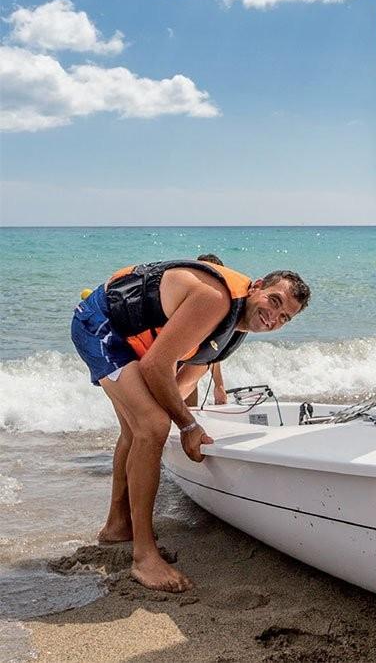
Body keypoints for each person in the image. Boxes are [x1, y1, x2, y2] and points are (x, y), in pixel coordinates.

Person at [71, 259, 310, 593]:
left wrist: (186, 420)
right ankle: (144, 556)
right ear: (256, 287)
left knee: (140, 426)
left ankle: (117, 526)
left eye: (285, 317)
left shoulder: (232, 334)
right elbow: (156, 366)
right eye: (274, 301)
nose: (275, 317)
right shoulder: (216, 299)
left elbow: (181, 386)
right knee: (152, 425)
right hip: (99, 324)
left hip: (129, 339)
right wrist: (187, 426)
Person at [185, 254, 229, 407]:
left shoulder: (216, 308)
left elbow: (212, 349)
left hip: (188, 370)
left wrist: (219, 386)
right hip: (167, 368)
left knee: (188, 413)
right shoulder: (184, 299)